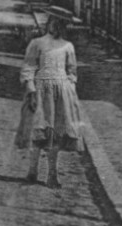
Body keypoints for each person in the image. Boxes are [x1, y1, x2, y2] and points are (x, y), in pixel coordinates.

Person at [16, 9, 85, 188]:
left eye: (60, 24)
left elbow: (72, 71)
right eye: (53, 22)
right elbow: (28, 67)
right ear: (48, 23)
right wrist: (31, 90)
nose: (56, 26)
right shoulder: (37, 43)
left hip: (61, 95)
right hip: (40, 91)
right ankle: (32, 170)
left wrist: (69, 91)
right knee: (37, 131)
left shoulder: (68, 46)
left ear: (64, 27)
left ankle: (52, 174)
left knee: (55, 135)